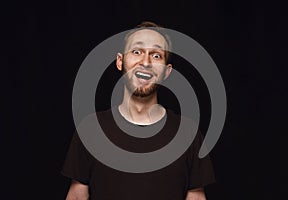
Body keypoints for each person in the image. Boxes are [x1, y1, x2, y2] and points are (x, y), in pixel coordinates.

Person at [62, 21, 215, 200]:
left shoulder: (187, 133)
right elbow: (77, 197)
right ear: (120, 61)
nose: (146, 62)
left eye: (156, 55)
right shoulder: (91, 129)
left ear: (167, 71)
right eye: (137, 52)